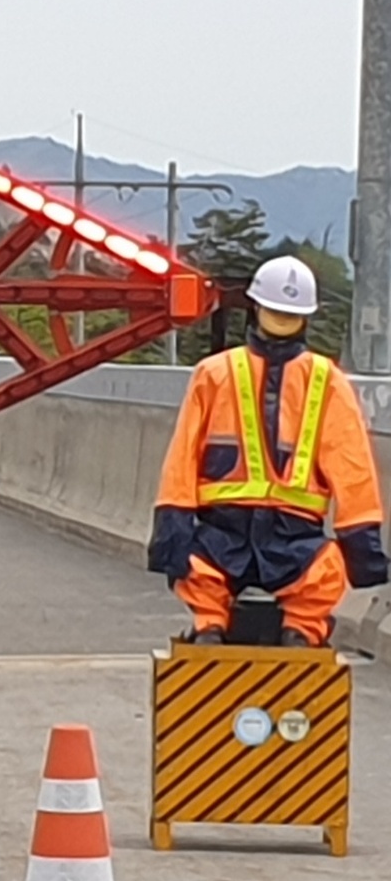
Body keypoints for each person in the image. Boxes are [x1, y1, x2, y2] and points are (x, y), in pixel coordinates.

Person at [148, 256, 387, 647]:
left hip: (237, 534)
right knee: (323, 569)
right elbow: (354, 472)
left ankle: (212, 627)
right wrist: (365, 555)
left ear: (255, 307)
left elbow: (181, 464)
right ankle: (299, 631)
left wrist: (171, 537)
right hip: (280, 536)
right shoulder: (328, 382)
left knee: (202, 567)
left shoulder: (214, 372)